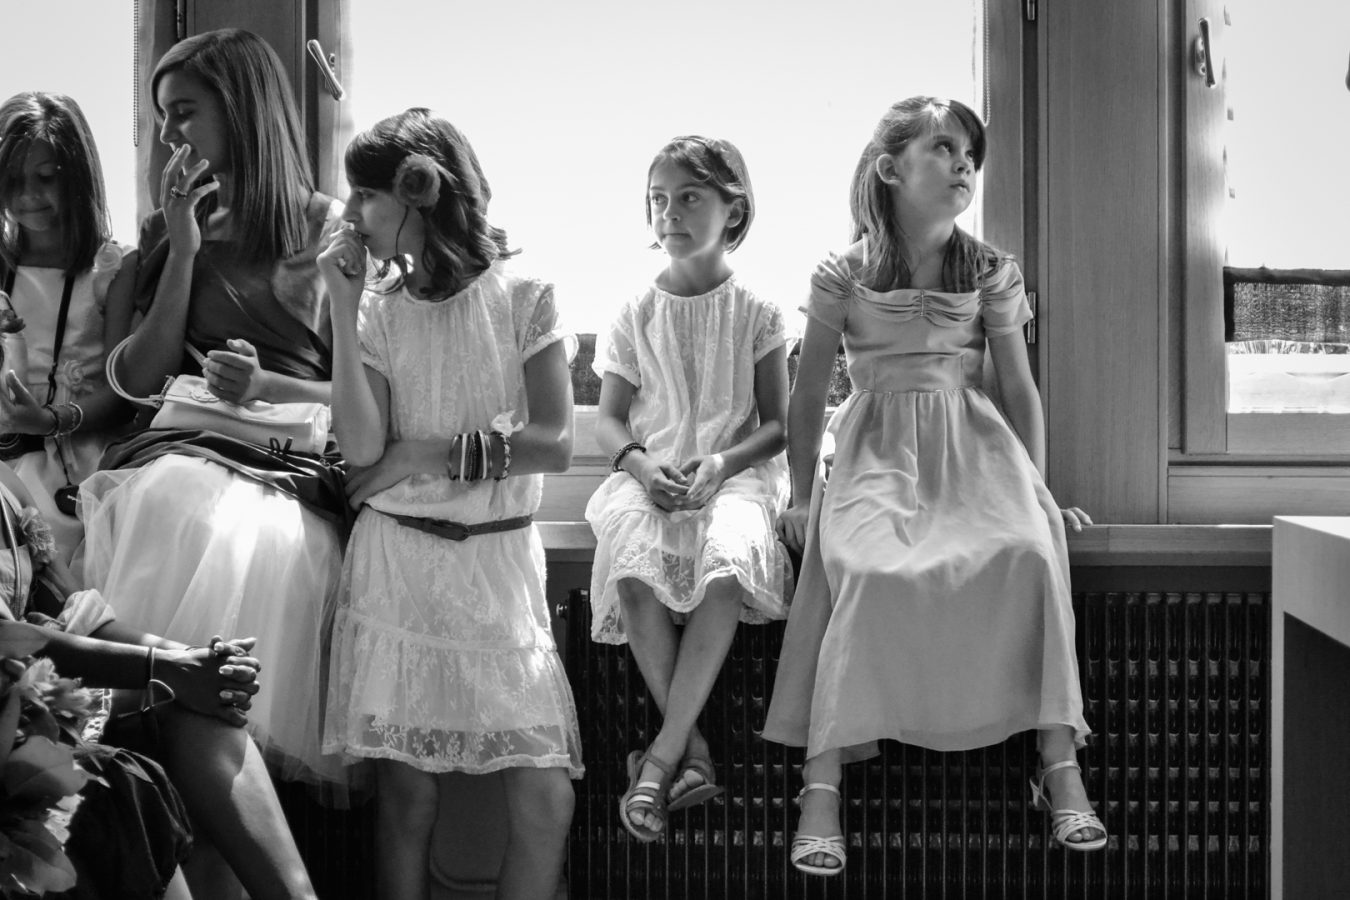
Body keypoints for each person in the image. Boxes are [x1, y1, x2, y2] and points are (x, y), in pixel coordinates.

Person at [762, 97, 1106, 877]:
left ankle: (1058, 762)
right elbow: (809, 391)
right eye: (945, 149)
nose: (963, 166)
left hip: (972, 448)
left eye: (971, 156)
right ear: (891, 170)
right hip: (876, 446)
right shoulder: (842, 273)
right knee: (870, 571)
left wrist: (1038, 488)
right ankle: (822, 782)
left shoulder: (990, 270)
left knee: (1029, 552)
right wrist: (801, 494)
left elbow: (1019, 389)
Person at [75, 29, 351, 800]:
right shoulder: (174, 233)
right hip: (182, 448)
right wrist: (187, 250)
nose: (169, 134)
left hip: (282, 466)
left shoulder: (331, 233)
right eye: (163, 117)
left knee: (244, 532)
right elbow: (135, 378)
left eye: (184, 112)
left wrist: (271, 383)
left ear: (242, 108)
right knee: (172, 500)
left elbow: (368, 398)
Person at [318, 108, 581, 900]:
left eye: (364, 197)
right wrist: (339, 301)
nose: (353, 217)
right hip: (399, 566)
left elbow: (555, 443)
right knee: (407, 797)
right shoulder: (379, 312)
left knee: (545, 797)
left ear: (418, 189)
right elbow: (363, 450)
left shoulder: (525, 295)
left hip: (498, 567)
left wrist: (425, 452)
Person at [586, 136, 791, 844]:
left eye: (689, 197)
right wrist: (642, 467)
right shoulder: (632, 311)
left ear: (734, 210)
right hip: (650, 473)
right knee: (633, 562)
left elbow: (781, 425)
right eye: (659, 200)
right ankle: (692, 749)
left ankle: (659, 759)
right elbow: (609, 420)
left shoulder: (759, 310)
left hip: (733, 475)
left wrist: (722, 465)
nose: (669, 212)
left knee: (727, 562)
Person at [0, 461, 318, 899]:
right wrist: (164, 667)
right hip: (9, 722)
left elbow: (77, 617)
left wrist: (199, 663)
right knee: (124, 777)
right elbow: (9, 640)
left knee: (204, 705)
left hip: (34, 703)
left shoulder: (7, 482)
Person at [0, 92, 135, 561]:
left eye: (45, 178)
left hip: (79, 460)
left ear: (79, 176)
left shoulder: (112, 267)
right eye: (12, 181)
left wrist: (51, 419)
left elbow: (122, 392)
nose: (27, 198)